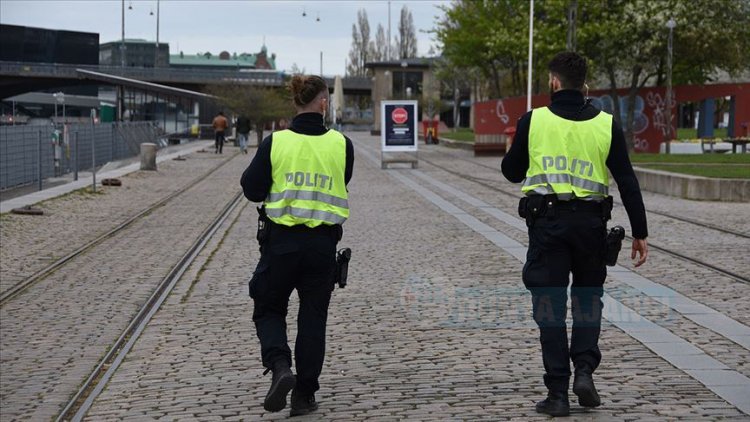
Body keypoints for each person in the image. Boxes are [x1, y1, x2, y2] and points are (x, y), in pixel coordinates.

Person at [501, 52, 649, 417]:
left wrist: (519, 143)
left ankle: (557, 394)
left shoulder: (532, 121)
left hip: (548, 226)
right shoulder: (606, 124)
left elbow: (511, 172)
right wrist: (640, 232)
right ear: (585, 85)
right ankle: (584, 370)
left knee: (549, 307)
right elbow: (627, 180)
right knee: (587, 299)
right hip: (591, 227)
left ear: (553, 82)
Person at [240, 74, 354, 416]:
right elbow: (342, 180)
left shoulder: (276, 143)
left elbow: (252, 189)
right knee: (313, 319)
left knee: (269, 308)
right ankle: (304, 395)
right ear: (323, 103)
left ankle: (279, 367)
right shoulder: (341, 144)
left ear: (295, 103)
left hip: (281, 244)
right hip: (322, 247)